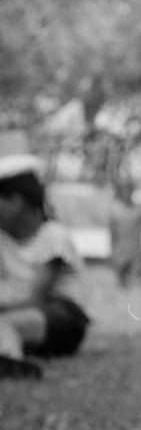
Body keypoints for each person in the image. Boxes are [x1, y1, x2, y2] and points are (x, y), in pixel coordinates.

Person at [0, 155, 91, 379]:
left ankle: (12, 363)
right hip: (18, 312)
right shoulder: (2, 239)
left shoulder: (53, 237)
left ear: (15, 201)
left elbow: (35, 299)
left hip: (60, 315)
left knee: (6, 324)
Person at [108, 183, 141, 288]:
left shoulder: (138, 210)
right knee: (122, 283)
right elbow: (112, 234)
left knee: (137, 282)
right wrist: (112, 252)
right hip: (121, 251)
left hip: (135, 251)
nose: (127, 194)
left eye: (129, 191)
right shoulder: (115, 211)